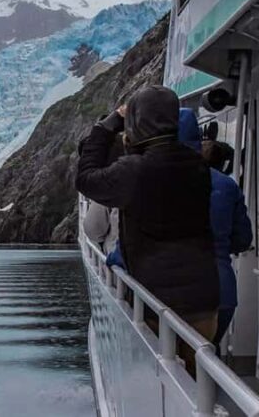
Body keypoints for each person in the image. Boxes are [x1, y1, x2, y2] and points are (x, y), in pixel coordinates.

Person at [76, 86, 219, 372]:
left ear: (138, 122)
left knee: (163, 379)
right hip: (204, 298)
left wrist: (108, 126)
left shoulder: (135, 170)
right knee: (197, 379)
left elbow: (86, 179)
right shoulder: (196, 165)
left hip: (156, 301)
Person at [196, 137, 253, 352]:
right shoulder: (229, 187)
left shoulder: (181, 182)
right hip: (224, 289)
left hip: (190, 288)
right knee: (211, 349)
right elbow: (243, 239)